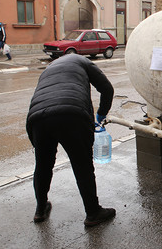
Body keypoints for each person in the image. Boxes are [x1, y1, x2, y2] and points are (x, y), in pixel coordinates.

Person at [26, 54, 116, 227]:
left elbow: (41, 97)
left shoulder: (48, 69)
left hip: (37, 119)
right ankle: (93, 212)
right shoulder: (83, 61)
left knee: (43, 165)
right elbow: (107, 89)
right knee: (82, 165)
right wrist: (100, 115)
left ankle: (40, 209)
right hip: (71, 114)